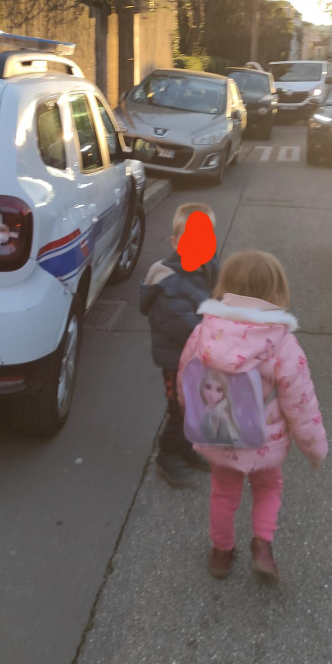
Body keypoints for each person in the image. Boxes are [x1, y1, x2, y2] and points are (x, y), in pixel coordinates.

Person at [178, 250, 327, 582]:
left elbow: (186, 377)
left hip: (218, 432)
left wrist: (190, 412)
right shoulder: (282, 343)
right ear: (276, 292)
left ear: (225, 287)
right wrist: (314, 448)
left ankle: (221, 553)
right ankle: (262, 546)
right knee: (269, 487)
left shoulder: (204, 332)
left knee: (223, 492)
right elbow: (301, 405)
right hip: (264, 440)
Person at [140, 202, 219, 488]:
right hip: (176, 360)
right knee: (180, 409)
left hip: (198, 356)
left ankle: (187, 449)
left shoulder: (205, 266)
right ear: (176, 243)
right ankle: (169, 454)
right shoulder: (169, 285)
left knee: (197, 406)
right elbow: (186, 328)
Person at [198, 370, 240, 446]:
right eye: (208, 387)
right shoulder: (206, 411)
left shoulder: (221, 416)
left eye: (219, 390)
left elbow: (223, 441)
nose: (212, 394)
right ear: (201, 387)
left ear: (224, 392)